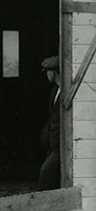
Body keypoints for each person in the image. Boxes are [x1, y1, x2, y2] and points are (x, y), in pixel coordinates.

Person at [39, 54, 63, 191]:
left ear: (53, 73)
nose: (46, 75)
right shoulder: (55, 90)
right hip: (52, 143)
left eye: (47, 72)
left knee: (46, 173)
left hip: (59, 145)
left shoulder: (64, 91)